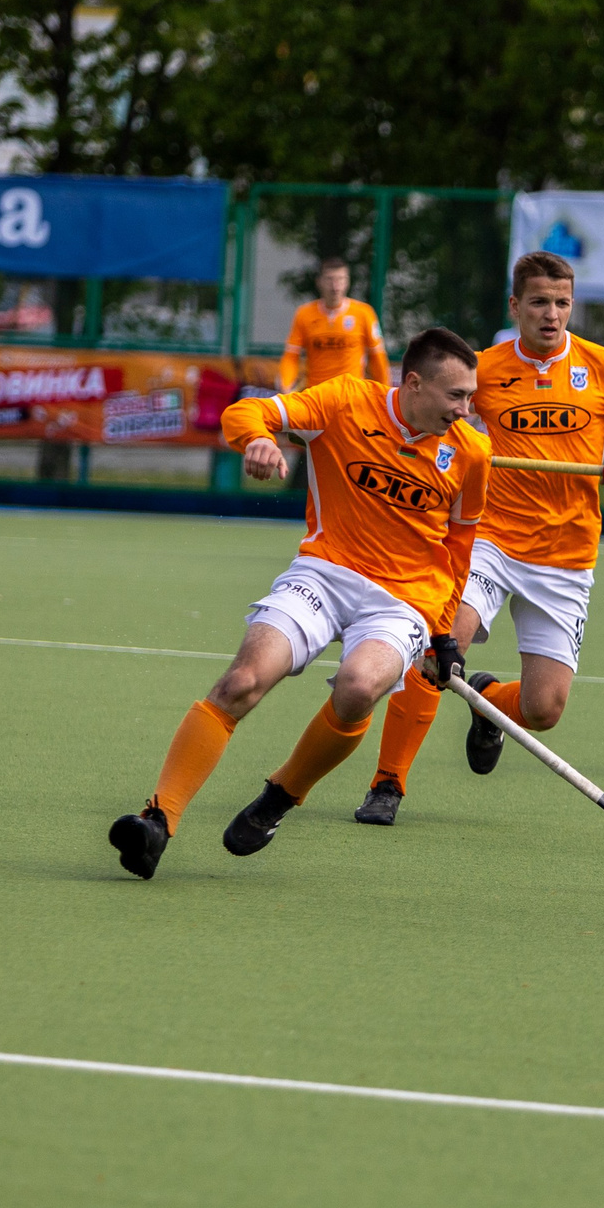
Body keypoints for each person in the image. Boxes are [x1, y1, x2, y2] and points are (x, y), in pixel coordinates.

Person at [105, 327, 489, 879]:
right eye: (456, 396)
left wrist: (445, 633)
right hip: (325, 572)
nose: (465, 409)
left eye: (470, 397)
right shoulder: (343, 402)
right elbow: (244, 414)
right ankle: (157, 823)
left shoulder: (472, 454)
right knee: (242, 681)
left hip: (404, 601)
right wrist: (257, 440)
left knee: (359, 687)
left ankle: (283, 794)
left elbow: (460, 549)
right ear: (414, 384)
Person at [351, 251, 604, 825]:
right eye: (538, 302)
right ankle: (388, 782)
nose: (551, 314)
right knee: (438, 645)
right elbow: (428, 417)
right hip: (492, 541)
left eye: (561, 303)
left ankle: (485, 702)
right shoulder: (482, 369)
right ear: (516, 306)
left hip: (568, 556)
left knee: (544, 708)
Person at [279, 257, 390, 391]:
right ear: (319, 282)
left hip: (351, 396)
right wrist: (285, 386)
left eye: (341, 279)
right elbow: (291, 356)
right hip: (316, 397)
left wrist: (385, 392)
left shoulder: (364, 313)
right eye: (330, 279)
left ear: (348, 281)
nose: (335, 286)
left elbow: (377, 357)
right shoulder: (304, 314)